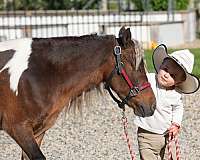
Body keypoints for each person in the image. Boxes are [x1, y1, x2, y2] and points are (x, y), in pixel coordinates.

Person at [134, 44, 200, 160]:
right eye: (165, 69)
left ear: (178, 82)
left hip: (167, 136)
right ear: (161, 65)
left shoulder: (176, 94)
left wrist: (176, 124)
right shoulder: (149, 79)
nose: (166, 75)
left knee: (172, 157)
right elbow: (137, 78)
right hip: (146, 134)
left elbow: (178, 109)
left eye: (172, 75)